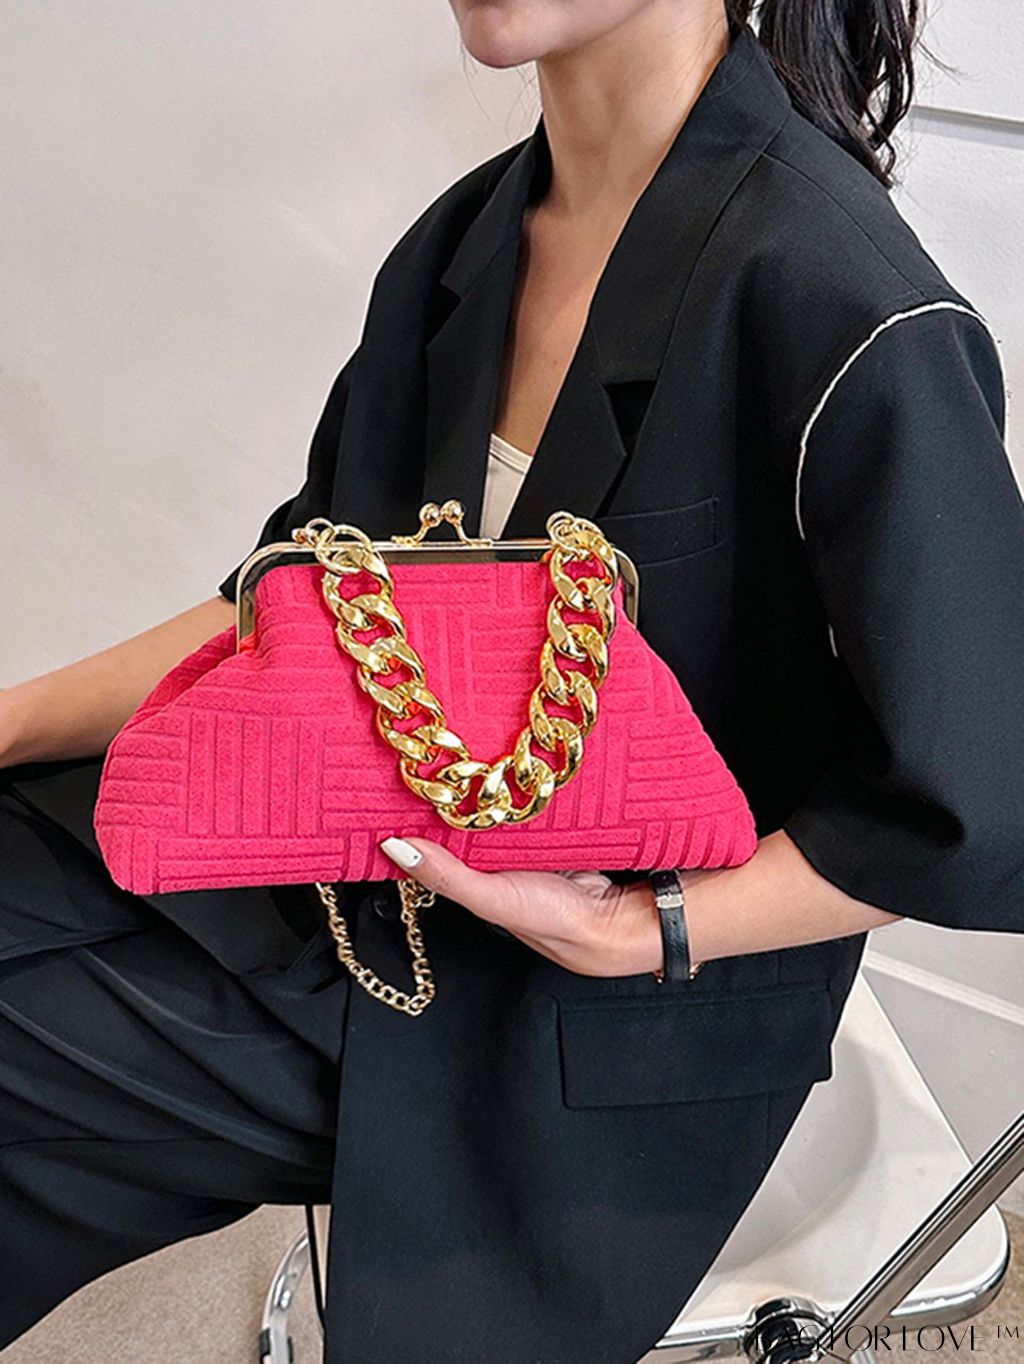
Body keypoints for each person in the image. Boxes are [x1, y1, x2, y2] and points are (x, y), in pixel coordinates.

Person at [2, 3, 1022, 1360]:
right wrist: (10, 720)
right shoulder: (465, 244)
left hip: (599, 1016)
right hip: (362, 862)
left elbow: (982, 802)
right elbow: (295, 599)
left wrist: (637, 927)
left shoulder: (845, 297)